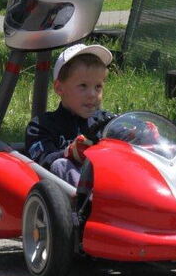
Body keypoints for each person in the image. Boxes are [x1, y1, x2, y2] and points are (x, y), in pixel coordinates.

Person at [25, 44, 114, 187]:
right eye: (83, 86)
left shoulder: (106, 121)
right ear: (60, 88)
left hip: (108, 183)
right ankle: (88, 203)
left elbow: (123, 133)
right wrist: (69, 153)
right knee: (60, 165)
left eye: (98, 86)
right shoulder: (41, 125)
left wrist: (138, 132)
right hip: (68, 197)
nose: (92, 94)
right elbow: (43, 161)